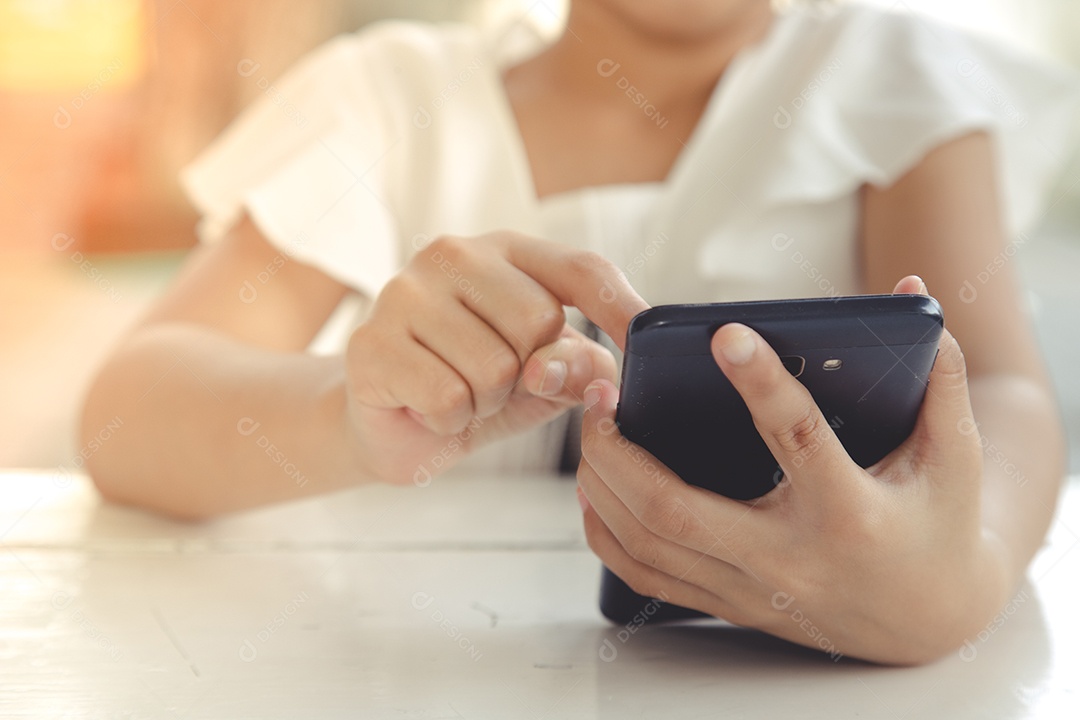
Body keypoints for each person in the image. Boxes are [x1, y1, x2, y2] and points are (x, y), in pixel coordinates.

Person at [80, 0, 1079, 664]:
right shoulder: (387, 99)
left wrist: (966, 570)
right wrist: (344, 418)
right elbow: (127, 413)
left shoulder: (892, 76)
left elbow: (1000, 389)